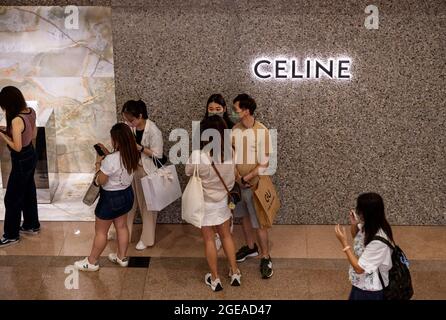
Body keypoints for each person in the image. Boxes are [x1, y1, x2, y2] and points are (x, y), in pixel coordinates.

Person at [185, 115, 241, 292]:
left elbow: (188, 172)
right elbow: (233, 176)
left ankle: (215, 279)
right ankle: (235, 272)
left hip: (205, 203)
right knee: (226, 236)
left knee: (209, 239)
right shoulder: (231, 151)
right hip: (223, 202)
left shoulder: (198, 156)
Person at [74, 123, 139, 271]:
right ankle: (122, 258)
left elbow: (100, 181)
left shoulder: (110, 160)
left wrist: (98, 163)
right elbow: (118, 166)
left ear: (116, 140)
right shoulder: (133, 154)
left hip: (110, 199)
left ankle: (91, 262)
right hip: (127, 195)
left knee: (101, 232)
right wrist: (108, 154)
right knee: (122, 227)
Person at [231, 93, 274, 279]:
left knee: (259, 224)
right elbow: (230, 158)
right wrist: (237, 177)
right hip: (239, 185)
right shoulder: (234, 130)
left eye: (236, 110)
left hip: (255, 185)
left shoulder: (262, 131)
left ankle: (265, 256)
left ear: (247, 111)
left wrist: (248, 177)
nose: (233, 113)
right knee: (243, 218)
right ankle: (250, 248)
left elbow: (264, 162)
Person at [119, 99, 164, 250]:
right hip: (131, 169)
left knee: (148, 207)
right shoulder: (129, 127)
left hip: (147, 171)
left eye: (131, 120)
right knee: (129, 203)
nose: (129, 123)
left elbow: (158, 155)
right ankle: (125, 233)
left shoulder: (153, 130)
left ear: (140, 115)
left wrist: (139, 148)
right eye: (126, 120)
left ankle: (146, 238)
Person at [335, 192, 394, 300]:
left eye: (360, 209)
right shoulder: (371, 225)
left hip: (369, 291)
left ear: (368, 213)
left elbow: (359, 269)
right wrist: (354, 223)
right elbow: (356, 238)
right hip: (361, 284)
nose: (358, 211)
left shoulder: (379, 241)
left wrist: (344, 243)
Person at [0, 86, 39, 247]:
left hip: (21, 159)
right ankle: (31, 224)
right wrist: (8, 131)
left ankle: (11, 235)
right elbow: (33, 134)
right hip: (31, 154)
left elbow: (16, 147)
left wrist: (2, 135)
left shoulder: (16, 119)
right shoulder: (30, 111)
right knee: (29, 191)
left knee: (12, 198)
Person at [203, 94, 235, 251]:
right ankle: (217, 235)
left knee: (227, 205)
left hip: (226, 176)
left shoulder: (230, 127)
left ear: (225, 109)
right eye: (211, 109)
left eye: (218, 109)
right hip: (209, 174)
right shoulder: (202, 126)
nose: (214, 112)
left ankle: (226, 230)